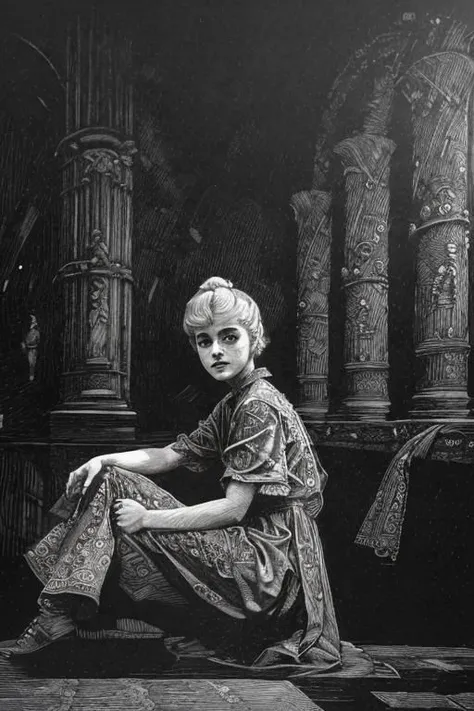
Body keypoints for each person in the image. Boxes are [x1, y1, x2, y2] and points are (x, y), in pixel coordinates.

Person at [1, 277, 341, 672]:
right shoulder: (236, 402)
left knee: (116, 488)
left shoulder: (256, 407)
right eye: (204, 341)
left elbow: (234, 510)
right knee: (111, 477)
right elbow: (170, 454)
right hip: (260, 552)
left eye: (229, 337)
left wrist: (148, 518)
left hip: (270, 568)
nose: (216, 351)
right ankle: (64, 609)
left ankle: (60, 611)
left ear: (254, 337)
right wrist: (103, 459)